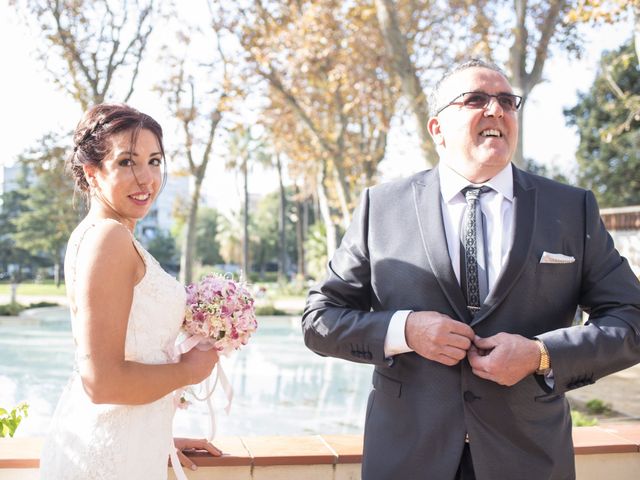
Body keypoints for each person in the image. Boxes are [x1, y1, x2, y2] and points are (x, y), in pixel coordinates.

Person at [302, 59, 640, 480]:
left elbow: (631, 320)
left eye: (506, 101)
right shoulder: (381, 208)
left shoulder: (572, 208)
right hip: (408, 459)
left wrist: (541, 354)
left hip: (529, 458)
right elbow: (319, 320)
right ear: (437, 129)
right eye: (476, 99)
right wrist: (404, 331)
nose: (496, 110)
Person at [40, 103, 221, 479]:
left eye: (154, 161)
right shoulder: (108, 238)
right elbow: (102, 381)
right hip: (107, 458)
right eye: (127, 162)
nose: (146, 178)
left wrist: (160, 438)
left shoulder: (105, 236)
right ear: (92, 173)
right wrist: (188, 371)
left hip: (129, 444)